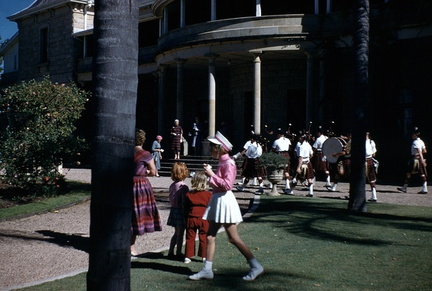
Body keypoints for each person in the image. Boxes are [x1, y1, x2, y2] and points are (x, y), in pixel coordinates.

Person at [189, 131, 264, 281]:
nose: (210, 149)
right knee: (210, 236)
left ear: (220, 148)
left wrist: (211, 175)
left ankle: (256, 266)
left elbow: (227, 185)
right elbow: (219, 182)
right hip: (219, 200)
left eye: (212, 147)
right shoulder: (223, 162)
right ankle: (207, 270)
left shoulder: (228, 163)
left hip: (224, 200)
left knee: (233, 238)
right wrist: (211, 174)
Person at [131, 129, 162, 256]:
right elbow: (154, 172)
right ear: (143, 140)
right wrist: (146, 172)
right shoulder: (145, 154)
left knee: (128, 214)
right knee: (137, 214)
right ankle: (131, 246)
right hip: (139, 185)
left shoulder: (126, 152)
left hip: (125, 184)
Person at [184, 171, 212, 264]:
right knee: (203, 237)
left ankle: (188, 256)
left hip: (191, 217)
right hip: (204, 218)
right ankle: (204, 256)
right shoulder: (208, 195)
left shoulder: (189, 194)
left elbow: (186, 207)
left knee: (190, 237)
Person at [167, 162, 190, 259]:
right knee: (181, 233)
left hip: (173, 209)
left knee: (176, 233)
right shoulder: (183, 187)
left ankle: (171, 250)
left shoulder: (172, 185)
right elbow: (184, 201)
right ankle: (178, 252)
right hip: (181, 210)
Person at [397, 127, 428, 194]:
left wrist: (422, 160)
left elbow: (419, 151)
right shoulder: (421, 141)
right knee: (422, 173)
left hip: (415, 159)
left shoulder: (415, 142)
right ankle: (424, 188)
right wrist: (421, 158)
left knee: (409, 173)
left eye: (413, 134)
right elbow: (424, 151)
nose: (412, 135)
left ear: (415, 135)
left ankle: (405, 187)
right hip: (419, 158)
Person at [271, 129, 293, 194]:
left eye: (278, 134)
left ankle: (274, 184)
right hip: (287, 154)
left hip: (280, 154)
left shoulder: (276, 141)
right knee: (286, 170)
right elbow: (290, 148)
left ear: (280, 135)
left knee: (278, 169)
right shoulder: (288, 140)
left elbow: (273, 149)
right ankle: (287, 185)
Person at [366, 132, 378, 202]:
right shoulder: (371, 142)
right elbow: (374, 154)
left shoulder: (371, 142)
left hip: (368, 160)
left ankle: (374, 196)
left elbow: (374, 154)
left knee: (371, 179)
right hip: (367, 160)